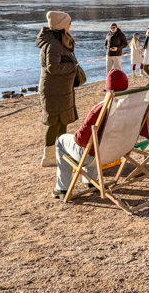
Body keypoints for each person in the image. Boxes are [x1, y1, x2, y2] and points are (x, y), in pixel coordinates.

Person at [51, 68, 129, 199]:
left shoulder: (100, 109)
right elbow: (147, 131)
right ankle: (90, 181)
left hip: (96, 156)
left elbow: (80, 140)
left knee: (62, 140)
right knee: (95, 141)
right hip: (119, 151)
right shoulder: (132, 107)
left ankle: (62, 188)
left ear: (107, 88)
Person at [37, 11, 78, 168]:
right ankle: (48, 157)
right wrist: (72, 66)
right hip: (53, 90)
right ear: (61, 25)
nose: (70, 25)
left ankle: (61, 153)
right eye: (68, 22)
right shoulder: (53, 44)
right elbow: (52, 68)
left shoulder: (59, 40)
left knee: (63, 121)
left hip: (62, 88)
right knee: (54, 123)